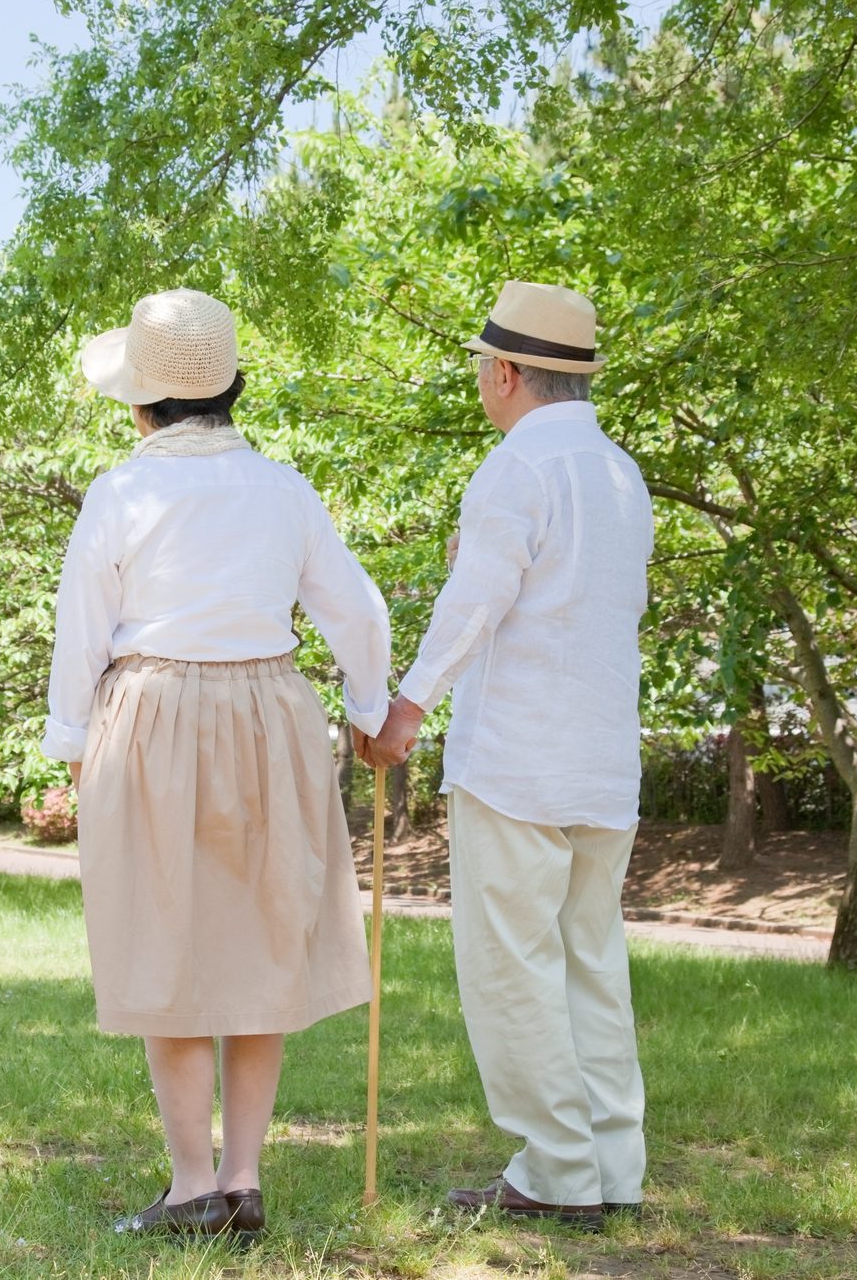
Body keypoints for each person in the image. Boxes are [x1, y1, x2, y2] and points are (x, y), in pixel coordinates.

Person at [44, 287, 391, 1243]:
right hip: (268, 710)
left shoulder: (122, 491)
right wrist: (369, 710)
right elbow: (357, 611)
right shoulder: (283, 488)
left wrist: (70, 742)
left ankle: (195, 1184)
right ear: (232, 387)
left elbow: (82, 629)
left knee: (166, 942)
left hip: (152, 711)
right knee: (260, 935)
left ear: (140, 402)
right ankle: (240, 1179)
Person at [359, 280, 653, 1233]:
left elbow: (477, 600)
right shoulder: (619, 473)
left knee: (511, 967)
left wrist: (405, 707)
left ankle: (558, 1170)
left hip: (519, 759)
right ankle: (612, 1163)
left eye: (485, 369)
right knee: (589, 961)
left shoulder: (517, 467)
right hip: (601, 760)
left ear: (506, 373)